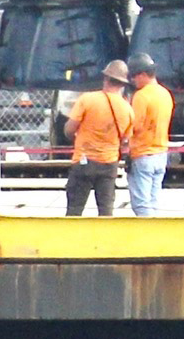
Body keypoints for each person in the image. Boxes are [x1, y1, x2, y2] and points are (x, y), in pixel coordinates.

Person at [63, 59, 133, 216]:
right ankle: (105, 239)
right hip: (109, 164)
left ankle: (71, 239)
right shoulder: (127, 109)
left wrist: (77, 138)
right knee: (106, 211)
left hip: (84, 161)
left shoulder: (87, 100)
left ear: (106, 78)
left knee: (74, 210)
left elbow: (69, 129)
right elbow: (125, 141)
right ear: (122, 84)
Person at [126, 52, 174, 217]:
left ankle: (147, 238)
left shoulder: (141, 96)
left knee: (141, 205)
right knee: (153, 203)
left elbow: (135, 126)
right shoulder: (165, 93)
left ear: (143, 74)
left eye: (133, 76)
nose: (132, 80)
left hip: (143, 154)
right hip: (161, 154)